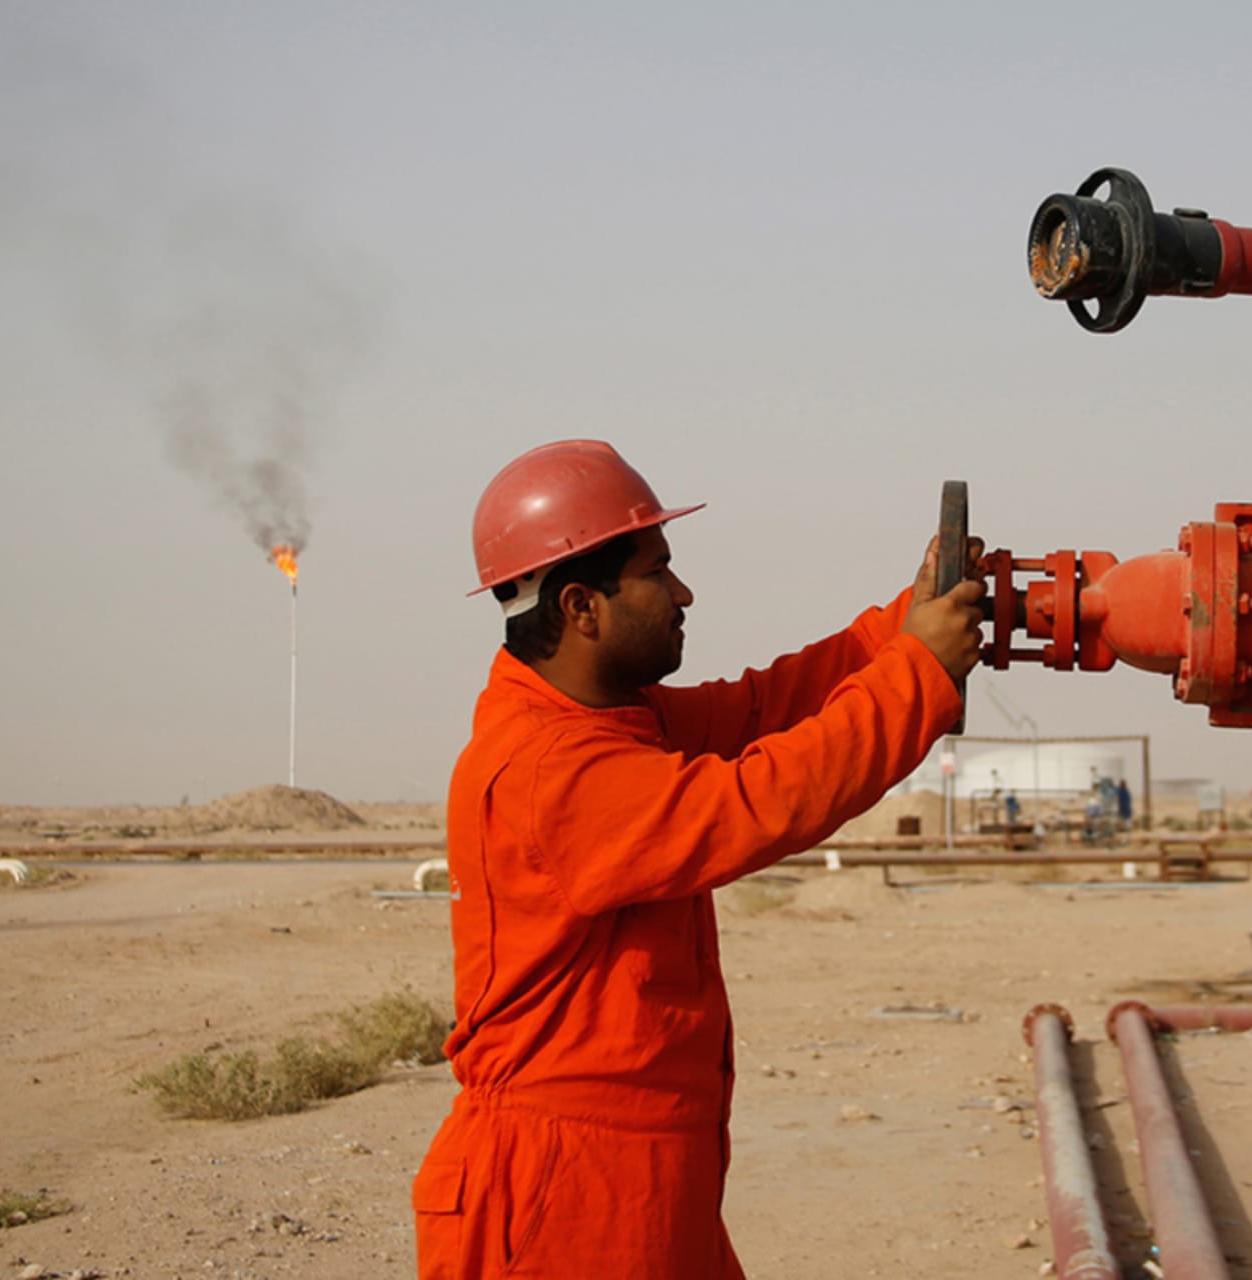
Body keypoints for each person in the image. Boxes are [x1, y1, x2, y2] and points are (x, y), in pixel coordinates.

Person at [413, 440, 984, 1279]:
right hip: (563, 1194)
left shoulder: (610, 724)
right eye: (658, 570)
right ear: (581, 607)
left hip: (637, 1173)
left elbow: (769, 711)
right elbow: (757, 800)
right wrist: (920, 672)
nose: (683, 593)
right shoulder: (550, 772)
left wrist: (905, 623)